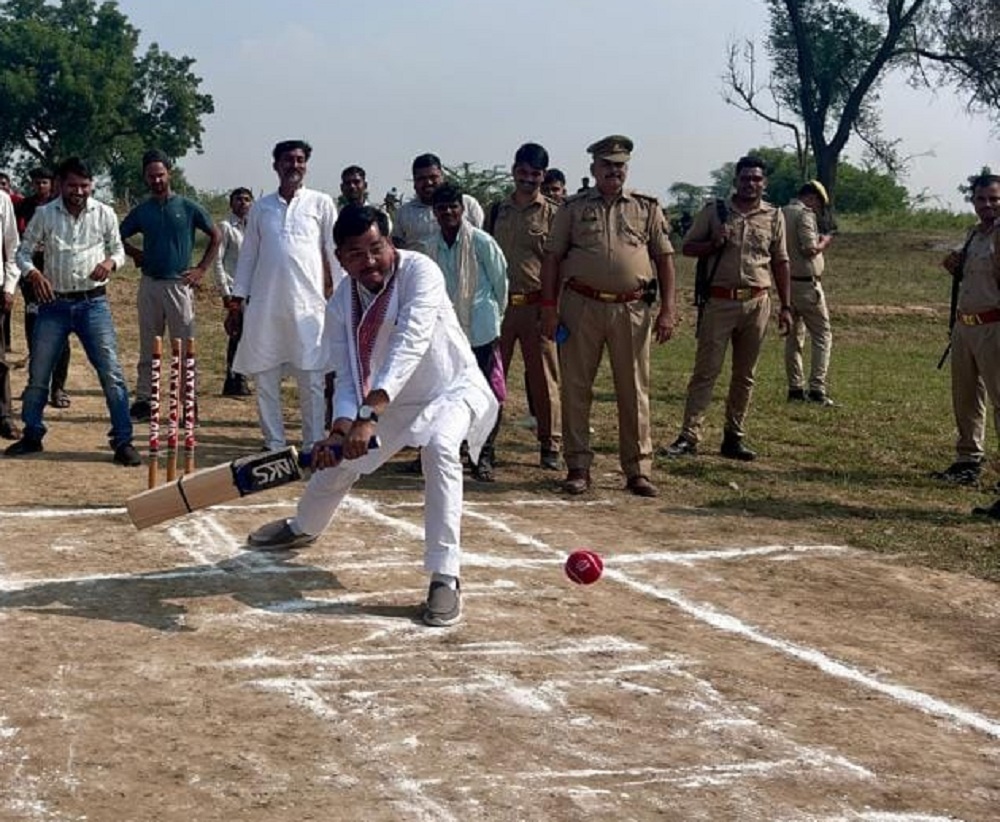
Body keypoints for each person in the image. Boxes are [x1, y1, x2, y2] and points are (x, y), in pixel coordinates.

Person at [246, 205, 498, 628]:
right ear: (340, 259)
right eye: (356, 254)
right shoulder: (341, 301)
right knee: (341, 462)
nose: (369, 261)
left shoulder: (421, 272)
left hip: (451, 389)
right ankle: (304, 525)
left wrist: (367, 414)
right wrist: (341, 427)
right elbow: (347, 374)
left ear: (390, 243)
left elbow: (409, 344)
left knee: (439, 449)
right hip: (390, 405)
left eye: (376, 248)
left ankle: (445, 575)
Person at [540, 135, 677, 498]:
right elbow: (552, 258)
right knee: (576, 387)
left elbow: (664, 259)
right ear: (593, 169)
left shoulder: (646, 207)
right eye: (607, 165)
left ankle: (638, 470)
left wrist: (668, 309)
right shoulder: (572, 208)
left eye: (620, 165)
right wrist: (550, 309)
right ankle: (578, 466)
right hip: (580, 306)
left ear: (626, 168)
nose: (614, 171)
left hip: (632, 309)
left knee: (634, 389)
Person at [4, 157, 138, 465]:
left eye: (85, 185)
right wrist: (33, 273)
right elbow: (22, 253)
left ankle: (123, 441)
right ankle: (32, 434)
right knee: (39, 374)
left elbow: (118, 250)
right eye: (72, 185)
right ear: (61, 184)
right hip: (53, 305)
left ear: (92, 185)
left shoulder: (104, 213)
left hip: (94, 303)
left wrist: (110, 263)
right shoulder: (45, 214)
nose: (79, 191)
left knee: (112, 374)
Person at [662, 155, 792, 462]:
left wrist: (787, 306)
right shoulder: (715, 211)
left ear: (765, 183)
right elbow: (688, 247)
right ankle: (689, 436)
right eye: (745, 178)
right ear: (735, 181)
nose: (751, 184)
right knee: (706, 371)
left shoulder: (774, 216)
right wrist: (713, 244)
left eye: (757, 179)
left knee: (745, 374)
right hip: (719, 301)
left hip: (757, 302)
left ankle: (734, 436)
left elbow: (780, 260)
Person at [229, 139, 339, 453]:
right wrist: (237, 300)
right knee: (265, 378)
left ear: (306, 165)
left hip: (309, 307)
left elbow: (334, 253)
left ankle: (312, 444)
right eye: (288, 160)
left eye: (300, 160)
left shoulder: (321, 203)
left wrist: (343, 297)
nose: (294, 165)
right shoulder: (261, 208)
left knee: (312, 380)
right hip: (265, 307)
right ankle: (274, 444)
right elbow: (248, 256)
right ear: (275, 165)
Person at [120, 150, 220, 421]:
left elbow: (215, 235)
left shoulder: (187, 207)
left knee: (186, 344)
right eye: (151, 177)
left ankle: (189, 402)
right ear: (145, 178)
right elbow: (116, 235)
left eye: (160, 175)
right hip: (150, 283)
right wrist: (134, 253)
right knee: (148, 344)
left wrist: (201, 269)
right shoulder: (142, 210)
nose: (157, 181)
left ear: (169, 173)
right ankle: (144, 399)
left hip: (179, 284)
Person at [489, 142, 562, 470]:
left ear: (542, 175)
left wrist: (552, 308)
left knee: (544, 380)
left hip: (537, 308)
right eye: (523, 172)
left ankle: (550, 444)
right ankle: (484, 443)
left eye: (535, 174)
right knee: (490, 379)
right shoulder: (494, 211)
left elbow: (560, 263)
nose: (528, 179)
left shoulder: (555, 214)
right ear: (513, 170)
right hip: (499, 309)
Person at [427, 183, 507, 481]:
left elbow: (501, 285)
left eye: (453, 206)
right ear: (434, 212)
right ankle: (446, 450)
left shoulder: (481, 242)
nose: (448, 212)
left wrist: (495, 319)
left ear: (462, 208)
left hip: (481, 331)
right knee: (445, 394)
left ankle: (483, 455)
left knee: (486, 395)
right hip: (447, 335)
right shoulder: (430, 247)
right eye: (442, 208)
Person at [935, 173, 1000, 487]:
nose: (987, 205)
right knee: (966, 396)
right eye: (981, 199)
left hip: (994, 326)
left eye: (994, 199)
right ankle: (967, 460)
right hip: (966, 325)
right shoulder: (974, 235)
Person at [15, 167, 71, 407]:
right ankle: (36, 385)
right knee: (34, 332)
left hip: (58, 279)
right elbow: (17, 236)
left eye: (44, 183)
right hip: (31, 279)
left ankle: (58, 388)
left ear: (53, 184)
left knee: (61, 336)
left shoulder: (60, 207)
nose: (41, 187)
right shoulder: (25, 206)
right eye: (36, 183)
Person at [784, 180, 835, 405]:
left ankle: (795, 388)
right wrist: (824, 242)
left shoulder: (780, 213)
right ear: (812, 198)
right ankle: (817, 389)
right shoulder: (804, 214)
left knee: (794, 338)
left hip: (787, 284)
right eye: (818, 203)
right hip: (806, 285)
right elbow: (809, 249)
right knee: (822, 335)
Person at [391, 153, 484, 254]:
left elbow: (481, 240)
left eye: (433, 177)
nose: (428, 183)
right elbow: (398, 251)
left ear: (442, 177)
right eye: (422, 179)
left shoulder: (468, 204)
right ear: (414, 182)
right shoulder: (404, 213)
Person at [214, 187, 254, 397]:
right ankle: (233, 379)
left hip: (254, 290)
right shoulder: (226, 227)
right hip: (234, 288)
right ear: (231, 204)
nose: (243, 203)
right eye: (238, 199)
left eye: (247, 200)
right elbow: (218, 261)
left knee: (249, 334)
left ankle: (241, 376)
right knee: (236, 332)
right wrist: (225, 292)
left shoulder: (255, 227)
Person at [0, 186, 19, 440]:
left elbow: (13, 246)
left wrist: (9, 286)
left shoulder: (2, 200)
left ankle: (3, 415)